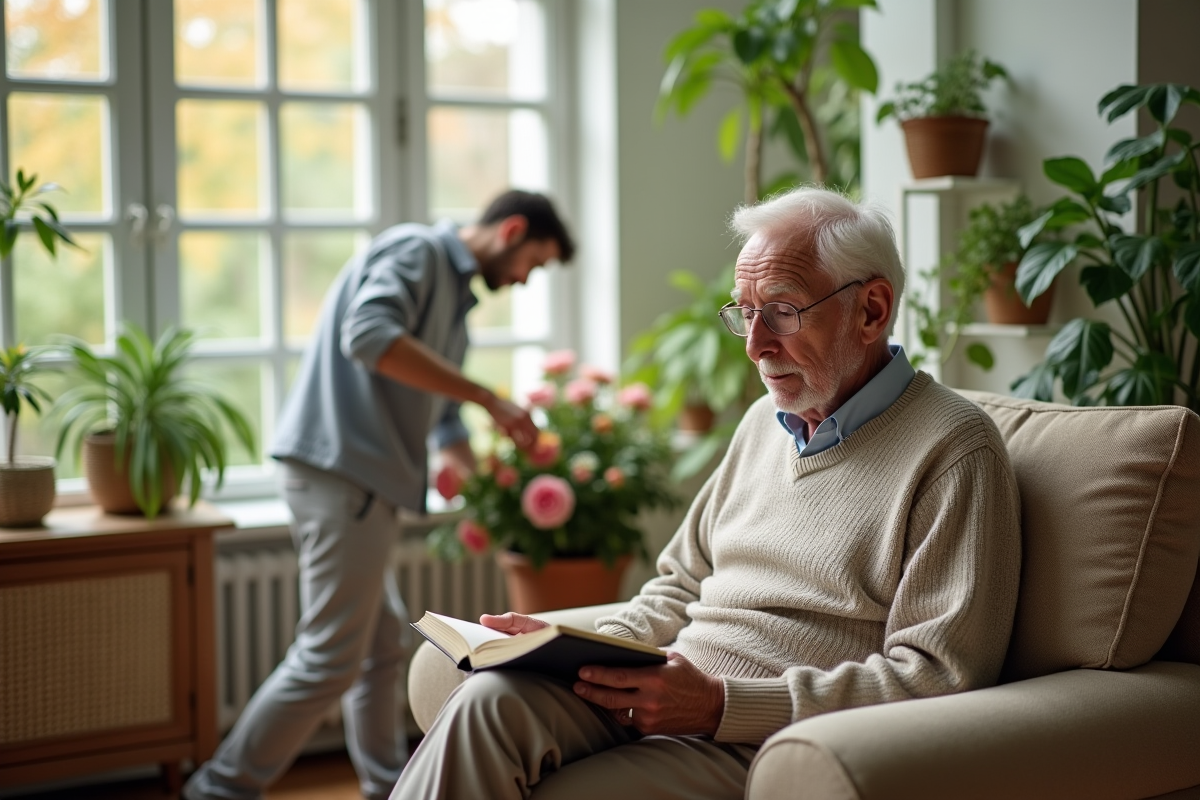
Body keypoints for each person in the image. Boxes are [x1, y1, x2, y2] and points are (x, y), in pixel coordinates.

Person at [389, 186, 1022, 800]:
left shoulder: (954, 450)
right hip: (661, 694)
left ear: (872, 309)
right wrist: (572, 651)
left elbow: (938, 677)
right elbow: (678, 584)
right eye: (745, 314)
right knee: (486, 701)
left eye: (781, 311)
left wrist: (722, 704)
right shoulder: (760, 426)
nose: (754, 346)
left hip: (766, 736)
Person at [184, 190, 576, 800]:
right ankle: (216, 790)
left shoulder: (454, 300)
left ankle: (386, 785)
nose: (527, 280)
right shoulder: (418, 251)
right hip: (344, 474)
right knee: (328, 659)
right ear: (512, 230)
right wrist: (487, 397)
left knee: (381, 647)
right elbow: (367, 335)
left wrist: (484, 486)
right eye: (536, 261)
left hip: (358, 481)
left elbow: (441, 419)